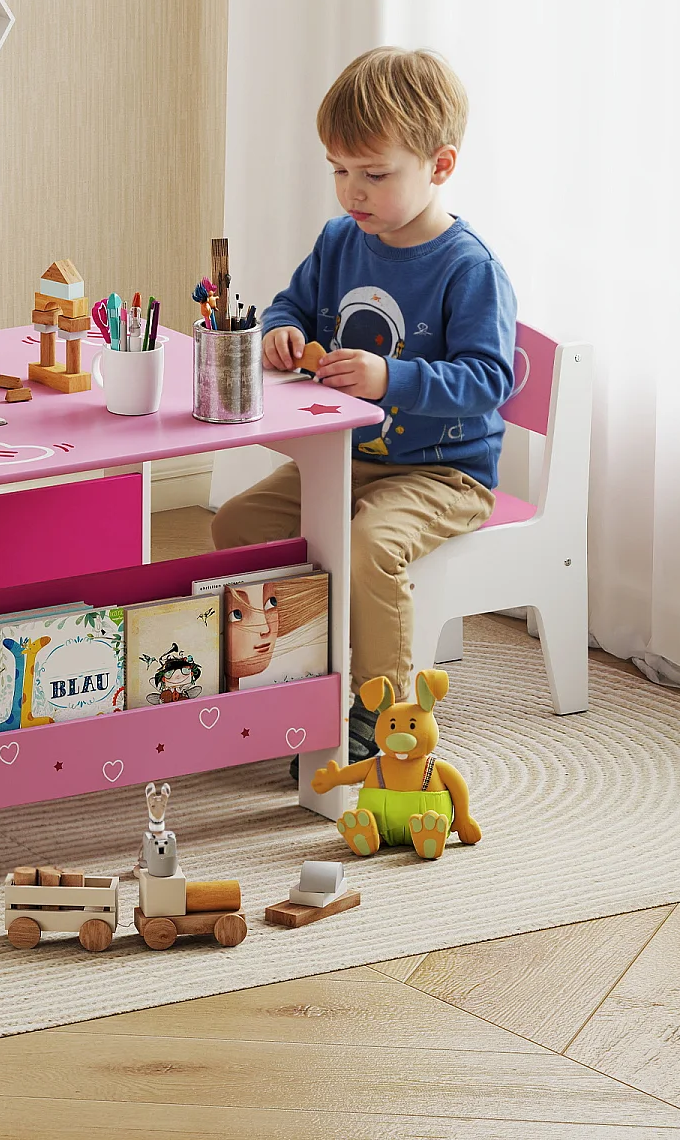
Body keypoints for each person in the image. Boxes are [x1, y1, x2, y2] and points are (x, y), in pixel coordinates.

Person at [211, 48, 517, 772]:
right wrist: (283, 332)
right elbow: (291, 303)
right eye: (339, 169)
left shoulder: (469, 268)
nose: (352, 190)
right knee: (238, 525)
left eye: (374, 174)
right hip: (347, 459)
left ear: (440, 166)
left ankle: (381, 710)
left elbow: (489, 379)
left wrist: (392, 378)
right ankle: (286, 672)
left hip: (442, 473)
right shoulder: (340, 240)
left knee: (369, 546)